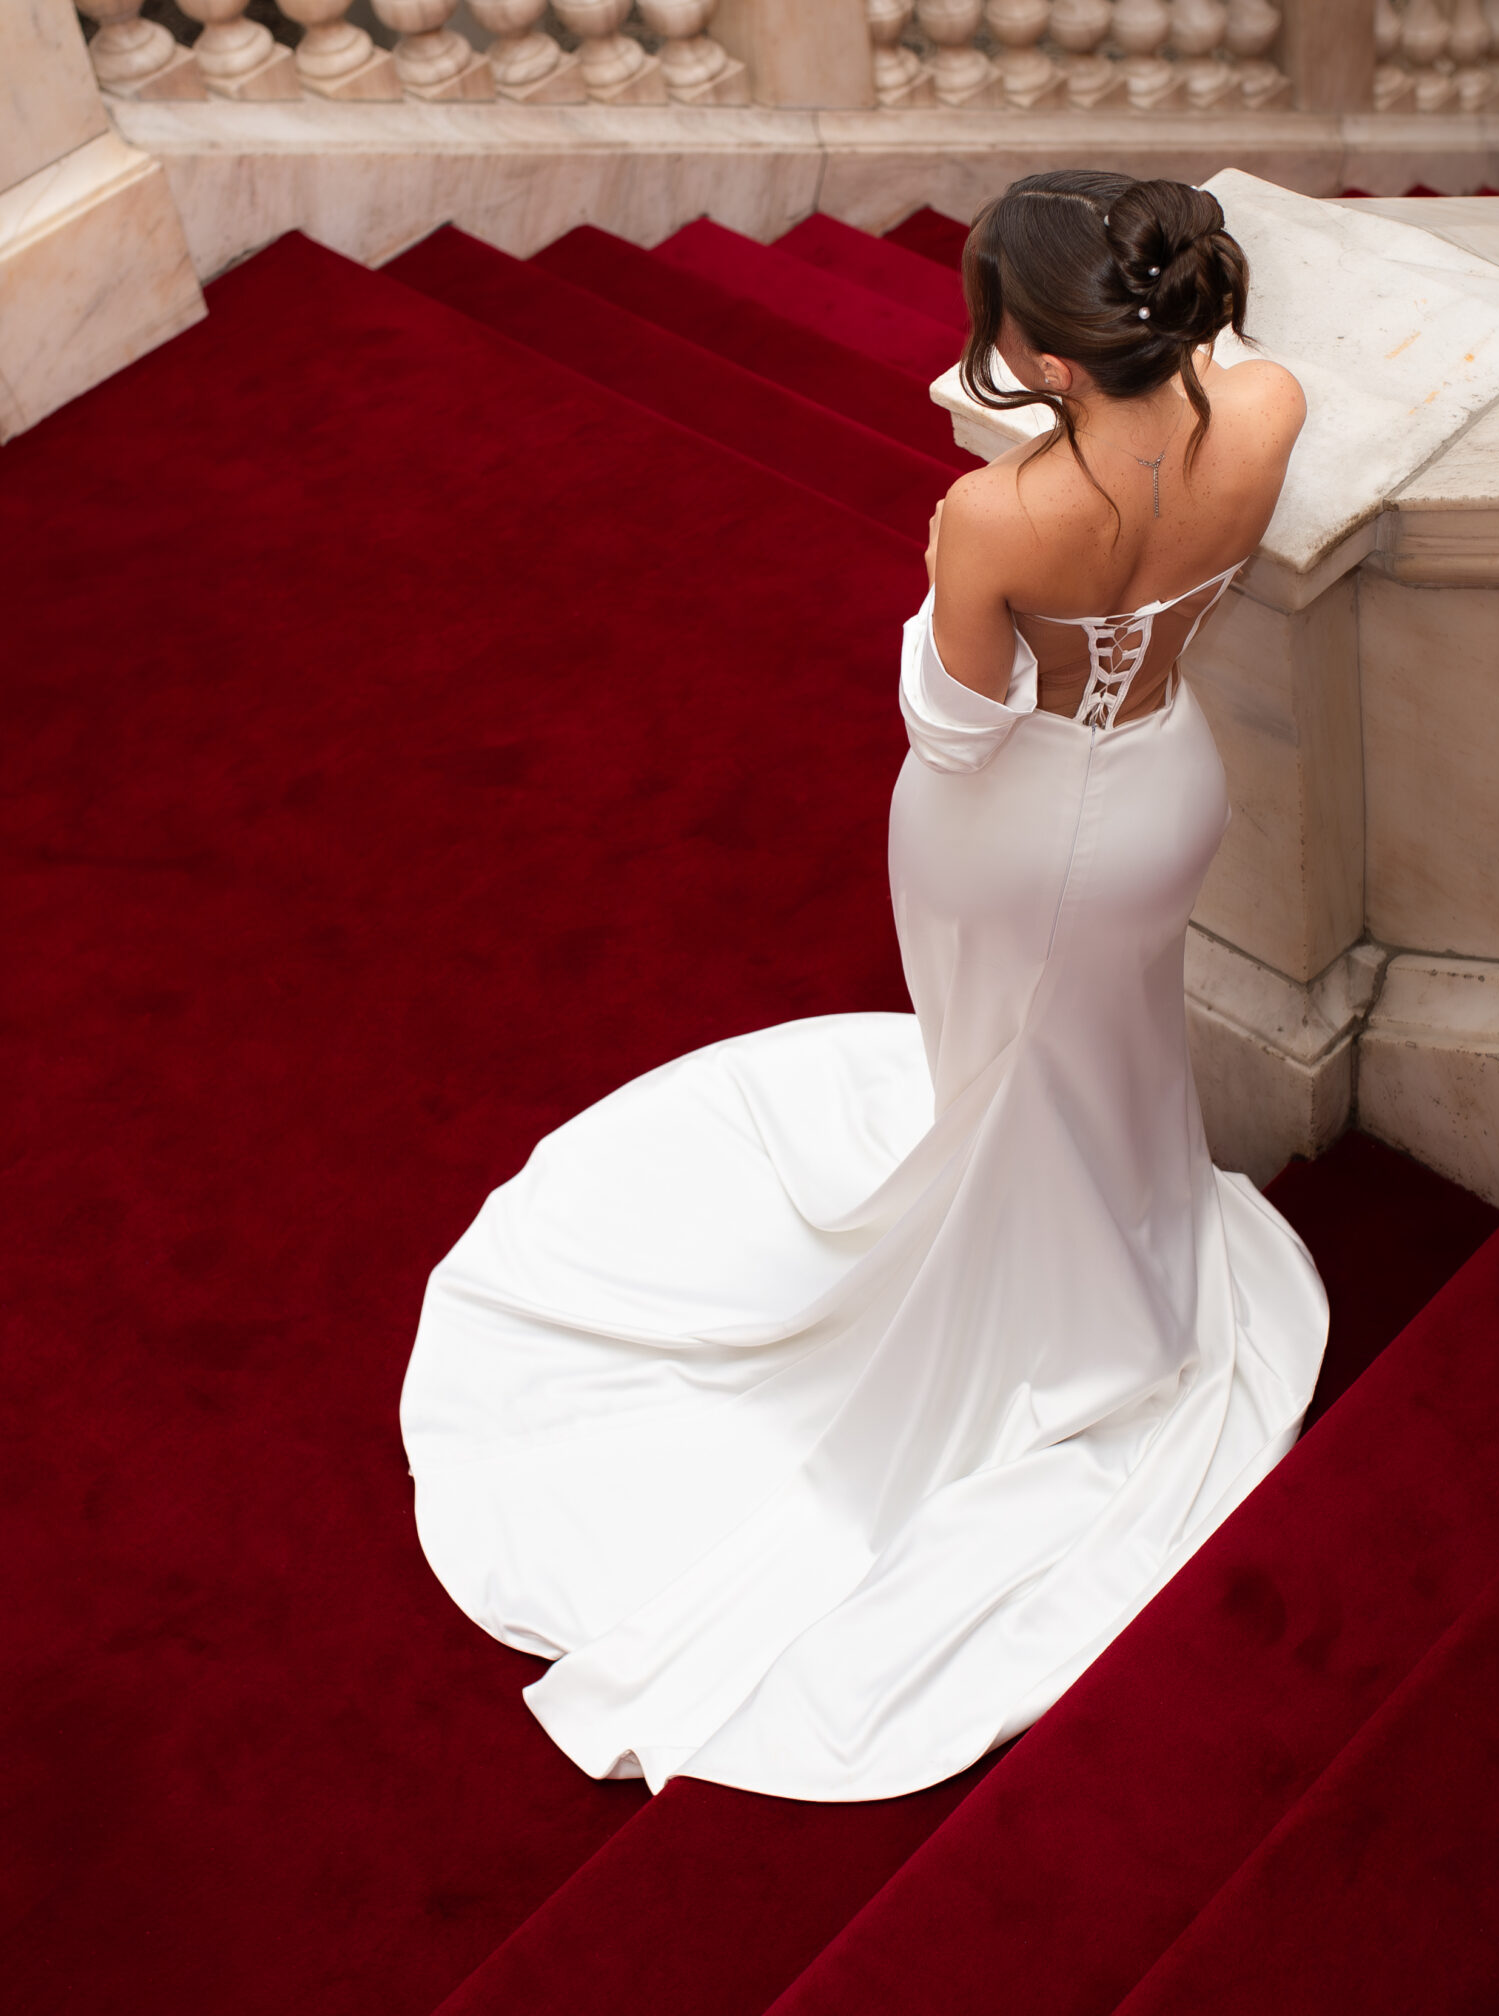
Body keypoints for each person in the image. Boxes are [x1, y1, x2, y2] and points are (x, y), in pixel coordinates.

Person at [401, 171, 1329, 1803]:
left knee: (1014, 1059)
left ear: (1043, 362)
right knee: (1105, 1048)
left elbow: (956, 733)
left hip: (1025, 831)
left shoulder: (997, 519)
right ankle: (1116, 1250)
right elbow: (1227, 382)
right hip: (1172, 790)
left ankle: (1037, 1300)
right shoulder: (1265, 404)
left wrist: (936, 589)